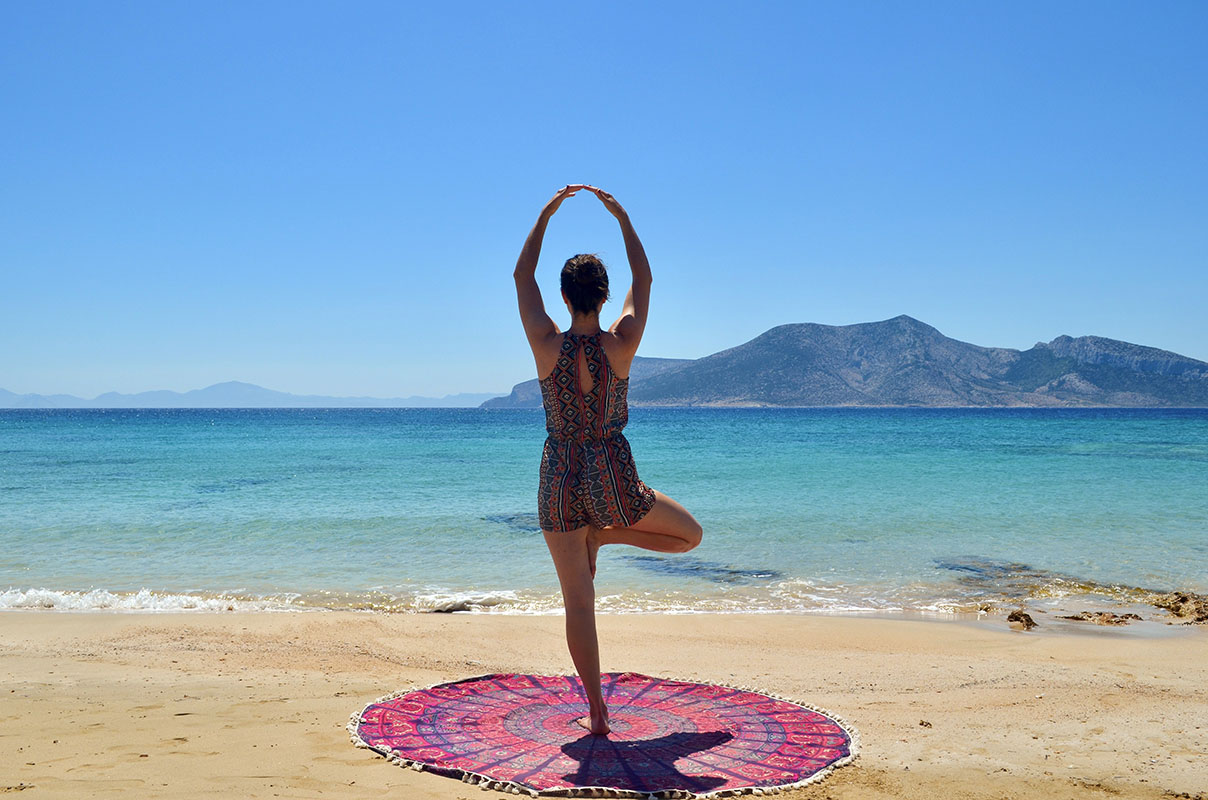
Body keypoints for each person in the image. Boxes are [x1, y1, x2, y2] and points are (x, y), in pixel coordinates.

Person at [513, 185, 703, 735]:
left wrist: (545, 213)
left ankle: (596, 711)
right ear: (601, 295)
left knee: (578, 600)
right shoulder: (620, 345)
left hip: (557, 475)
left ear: (566, 297)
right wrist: (622, 218)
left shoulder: (546, 344)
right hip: (611, 474)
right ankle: (608, 535)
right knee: (689, 535)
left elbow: (522, 278)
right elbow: (644, 282)